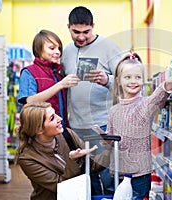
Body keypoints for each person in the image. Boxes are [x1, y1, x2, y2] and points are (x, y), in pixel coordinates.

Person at [60, 6, 123, 195]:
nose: (81, 37)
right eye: (76, 32)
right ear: (68, 27)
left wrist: (107, 80)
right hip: (75, 126)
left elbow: (128, 80)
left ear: (93, 26)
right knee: (84, 177)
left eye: (86, 32)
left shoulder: (108, 46)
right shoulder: (67, 51)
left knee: (106, 177)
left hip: (102, 124)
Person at [104, 52, 172, 198]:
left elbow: (157, 97)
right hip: (117, 172)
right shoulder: (114, 110)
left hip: (139, 175)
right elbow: (110, 138)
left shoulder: (145, 104)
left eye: (138, 77)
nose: (133, 81)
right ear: (118, 81)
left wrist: (167, 84)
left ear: (143, 80)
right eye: (128, 77)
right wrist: (106, 140)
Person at [14, 101, 110, 200]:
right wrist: (73, 160)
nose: (59, 118)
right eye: (52, 118)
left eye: (56, 114)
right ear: (39, 130)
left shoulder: (67, 134)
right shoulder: (28, 159)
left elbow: (91, 166)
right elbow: (60, 187)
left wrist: (109, 148)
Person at [18, 29, 80, 128]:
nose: (58, 52)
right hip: (40, 131)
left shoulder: (58, 74)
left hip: (60, 129)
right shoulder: (28, 72)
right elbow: (29, 102)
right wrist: (60, 85)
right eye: (52, 48)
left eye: (59, 48)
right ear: (38, 49)